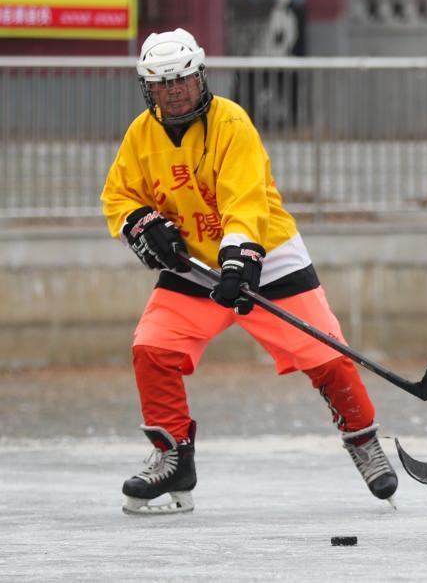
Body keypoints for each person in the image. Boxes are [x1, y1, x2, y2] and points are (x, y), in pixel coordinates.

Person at [101, 28, 397, 515]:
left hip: (268, 256)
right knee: (152, 349)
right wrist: (143, 222)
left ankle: (363, 440)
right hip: (194, 265)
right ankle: (171, 454)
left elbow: (246, 200)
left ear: (201, 79)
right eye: (162, 84)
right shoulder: (140, 134)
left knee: (328, 358)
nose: (174, 92)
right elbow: (118, 195)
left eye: (182, 81)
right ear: (147, 89)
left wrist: (240, 259)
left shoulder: (231, 123)